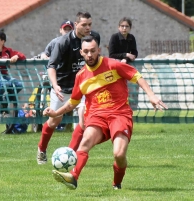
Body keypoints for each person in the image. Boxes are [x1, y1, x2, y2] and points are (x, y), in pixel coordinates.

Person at [43, 36, 168, 190]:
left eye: (93, 51)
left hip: (120, 114)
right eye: (86, 52)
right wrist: (55, 113)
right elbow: (72, 103)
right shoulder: (81, 76)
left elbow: (136, 75)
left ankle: (117, 183)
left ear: (99, 50)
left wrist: (151, 95)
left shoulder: (113, 65)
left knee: (119, 154)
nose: (90, 55)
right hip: (97, 116)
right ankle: (73, 177)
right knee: (85, 142)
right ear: (81, 52)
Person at [37, 11, 100, 164]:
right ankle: (41, 149)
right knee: (54, 121)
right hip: (62, 89)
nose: (88, 28)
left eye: (90, 24)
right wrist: (55, 84)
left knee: (83, 121)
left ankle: (70, 155)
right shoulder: (63, 42)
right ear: (76, 24)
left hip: (83, 88)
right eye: (84, 25)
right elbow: (51, 66)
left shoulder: (93, 39)